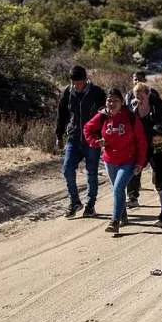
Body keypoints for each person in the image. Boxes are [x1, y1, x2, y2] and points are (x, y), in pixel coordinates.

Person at [83, 88, 147, 234]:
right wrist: (95, 142)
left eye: (115, 101)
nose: (111, 103)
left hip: (128, 161)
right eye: (109, 100)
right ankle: (123, 216)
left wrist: (140, 163)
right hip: (109, 160)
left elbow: (142, 141)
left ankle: (114, 221)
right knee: (118, 190)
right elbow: (87, 129)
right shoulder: (102, 116)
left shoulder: (130, 117)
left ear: (122, 102)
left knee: (118, 188)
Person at [55, 65, 107, 218]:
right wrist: (59, 135)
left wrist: (104, 136)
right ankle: (75, 202)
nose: (76, 86)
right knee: (67, 169)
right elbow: (62, 114)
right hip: (73, 138)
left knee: (91, 173)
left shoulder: (97, 93)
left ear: (85, 80)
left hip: (92, 139)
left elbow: (105, 115)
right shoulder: (67, 92)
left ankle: (90, 206)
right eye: (74, 83)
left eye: (79, 83)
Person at [126, 81, 156, 208]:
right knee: (134, 170)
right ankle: (132, 197)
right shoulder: (132, 108)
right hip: (138, 145)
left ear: (147, 94)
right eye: (136, 96)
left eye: (141, 97)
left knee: (159, 169)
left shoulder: (155, 106)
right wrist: (133, 110)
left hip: (154, 144)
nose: (139, 99)